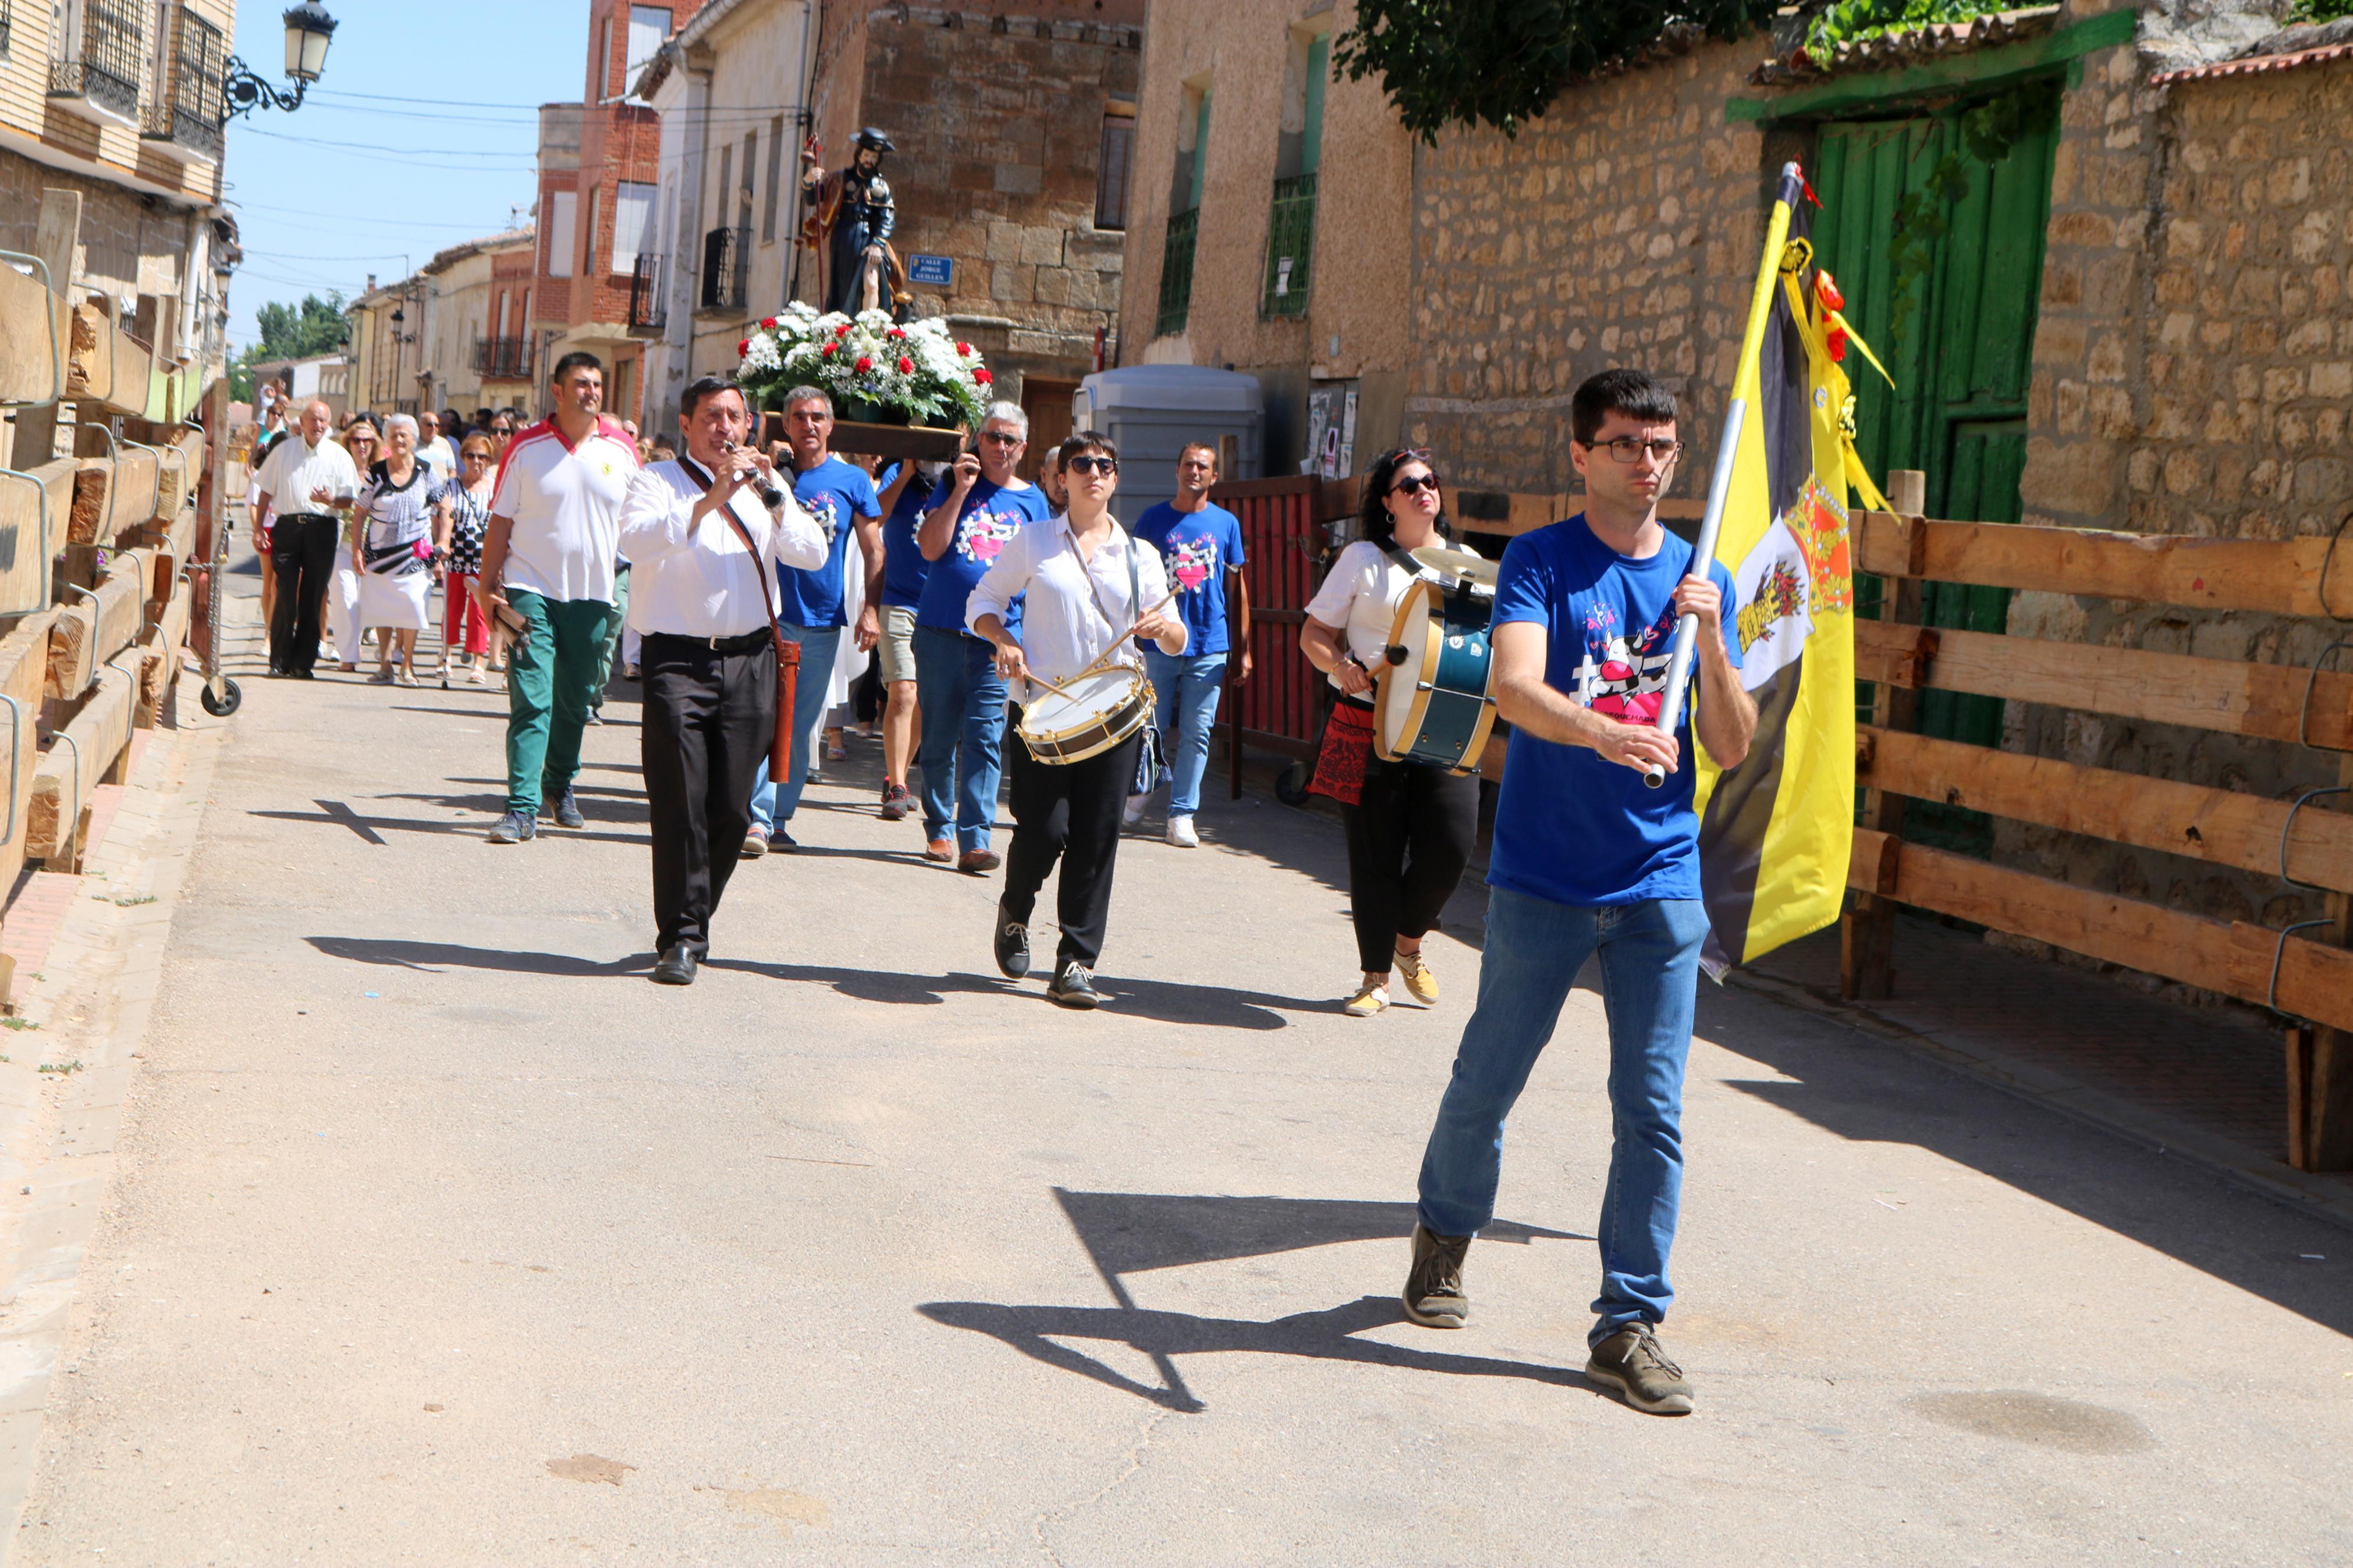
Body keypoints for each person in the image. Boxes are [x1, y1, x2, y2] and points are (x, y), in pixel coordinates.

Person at [1401, 369, 1756, 1418]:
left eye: (1661, 447)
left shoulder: (1703, 580)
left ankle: (1627, 1324)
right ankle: (1444, 1234)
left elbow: (1728, 746)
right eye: (1622, 445)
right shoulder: (1544, 564)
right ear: (1580, 455)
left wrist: (1717, 640)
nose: (1644, 464)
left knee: (1651, 1109)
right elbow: (1513, 685)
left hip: (1658, 881)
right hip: (1547, 877)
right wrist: (1609, 732)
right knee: (1487, 1080)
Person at [617, 375, 826, 985]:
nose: (725, 429)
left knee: (733, 808)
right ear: (686, 425)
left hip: (751, 659)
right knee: (680, 798)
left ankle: (694, 910)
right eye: (711, 417)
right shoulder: (654, 481)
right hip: (676, 660)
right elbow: (634, 541)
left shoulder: (766, 485)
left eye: (734, 417)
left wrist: (773, 496)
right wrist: (710, 499)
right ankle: (681, 935)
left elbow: (811, 554)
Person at [970, 433, 1184, 1008]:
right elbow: (982, 602)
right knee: (1044, 831)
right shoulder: (1034, 541)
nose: (1094, 472)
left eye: (1105, 465)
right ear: (1059, 478)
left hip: (1116, 718)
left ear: (1115, 479)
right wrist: (1004, 640)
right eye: (1081, 464)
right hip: (1043, 713)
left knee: (1095, 836)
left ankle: (1075, 962)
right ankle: (1015, 909)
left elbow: (1177, 633)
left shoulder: (1139, 556)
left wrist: (1159, 628)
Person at [1300, 448, 1483, 1018]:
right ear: (1387, 502)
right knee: (1375, 853)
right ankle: (1375, 977)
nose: (1423, 490)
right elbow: (1314, 633)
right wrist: (1338, 668)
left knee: (1451, 846)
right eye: (1408, 485)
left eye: (1429, 480)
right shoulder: (1362, 558)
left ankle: (1408, 942)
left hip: (1446, 724)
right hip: (1368, 720)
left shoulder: (1466, 563)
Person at [474, 351, 637, 844]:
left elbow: (643, 522)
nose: (591, 391)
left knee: (575, 700)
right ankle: (521, 807)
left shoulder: (623, 449)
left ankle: (560, 782)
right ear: (558, 391)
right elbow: (500, 520)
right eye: (581, 383)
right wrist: (486, 587)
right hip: (530, 590)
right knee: (532, 697)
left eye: (597, 384)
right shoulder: (525, 448)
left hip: (594, 593)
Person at [739, 387, 883, 856]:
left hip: (822, 621)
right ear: (786, 424)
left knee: (801, 727)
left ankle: (778, 816)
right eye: (798, 417)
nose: (808, 425)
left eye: (817, 417)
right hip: (769, 614)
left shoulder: (853, 479)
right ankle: (756, 818)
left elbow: (874, 548)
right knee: (764, 718)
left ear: (831, 424)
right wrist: (766, 464)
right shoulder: (766, 471)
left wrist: (869, 609)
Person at [913, 402, 1053, 871]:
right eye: (991, 437)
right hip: (940, 630)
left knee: (985, 736)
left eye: (1008, 440)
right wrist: (960, 491)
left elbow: (1041, 576)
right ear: (978, 439)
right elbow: (930, 547)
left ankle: (974, 837)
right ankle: (939, 828)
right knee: (937, 736)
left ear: (1022, 447)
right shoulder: (954, 484)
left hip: (999, 639)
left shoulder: (1034, 502)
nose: (999, 447)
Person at [1128, 442, 1252, 847]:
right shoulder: (1152, 520)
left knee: (1199, 731)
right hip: (1159, 643)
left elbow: (1237, 588)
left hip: (1209, 643)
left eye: (1202, 466)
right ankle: (1138, 794)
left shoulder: (1226, 524)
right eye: (1187, 464)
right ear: (1176, 470)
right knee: (1151, 727)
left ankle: (1181, 814)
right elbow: (1130, 581)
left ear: (1214, 476)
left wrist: (1243, 646)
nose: (1193, 472)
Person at [250, 399, 361, 679]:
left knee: (313, 596)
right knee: (285, 591)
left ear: (329, 422)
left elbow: (350, 499)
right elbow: (265, 490)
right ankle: (279, 659)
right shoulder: (284, 451)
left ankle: (303, 663)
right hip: (287, 526)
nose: (319, 425)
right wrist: (258, 529)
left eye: (324, 420)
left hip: (322, 528)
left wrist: (332, 500)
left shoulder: (339, 455)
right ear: (303, 421)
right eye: (314, 419)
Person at [350, 414, 441, 686]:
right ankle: (386, 664)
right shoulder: (376, 473)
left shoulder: (426, 471)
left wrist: (443, 542)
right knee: (381, 609)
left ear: (414, 439)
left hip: (418, 553)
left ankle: (408, 666)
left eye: (404, 435)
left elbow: (443, 508)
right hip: (379, 554)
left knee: (413, 607)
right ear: (387, 439)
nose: (399, 440)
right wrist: (356, 549)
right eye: (394, 435)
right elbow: (359, 514)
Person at [871, 458, 934, 820]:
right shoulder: (899, 471)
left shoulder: (958, 475)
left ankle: (900, 774)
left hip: (938, 605)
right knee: (903, 691)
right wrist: (909, 470)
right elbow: (876, 515)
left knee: (924, 698)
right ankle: (897, 786)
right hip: (897, 598)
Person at [435, 433, 499, 682]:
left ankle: (479, 662)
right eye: (471, 455)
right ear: (463, 457)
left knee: (480, 611)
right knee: (452, 609)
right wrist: (439, 555)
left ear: (489, 459)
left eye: (482, 456)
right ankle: (446, 656)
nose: (476, 461)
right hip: (456, 556)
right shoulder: (451, 486)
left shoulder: (494, 487)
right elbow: (440, 520)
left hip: (484, 559)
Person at [325, 417, 381, 673]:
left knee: (362, 601)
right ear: (348, 442)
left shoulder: (381, 474)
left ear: (374, 444)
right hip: (340, 543)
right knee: (344, 598)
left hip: (373, 547)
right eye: (356, 440)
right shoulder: (338, 469)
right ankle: (348, 656)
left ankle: (353, 646)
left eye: (367, 440)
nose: (362, 445)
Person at [416, 410, 458, 485]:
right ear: (420, 426)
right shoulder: (412, 444)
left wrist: (448, 489)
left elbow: (452, 471)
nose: (434, 428)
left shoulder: (445, 444)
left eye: (437, 425)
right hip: (419, 492)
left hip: (442, 493)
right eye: (430, 425)